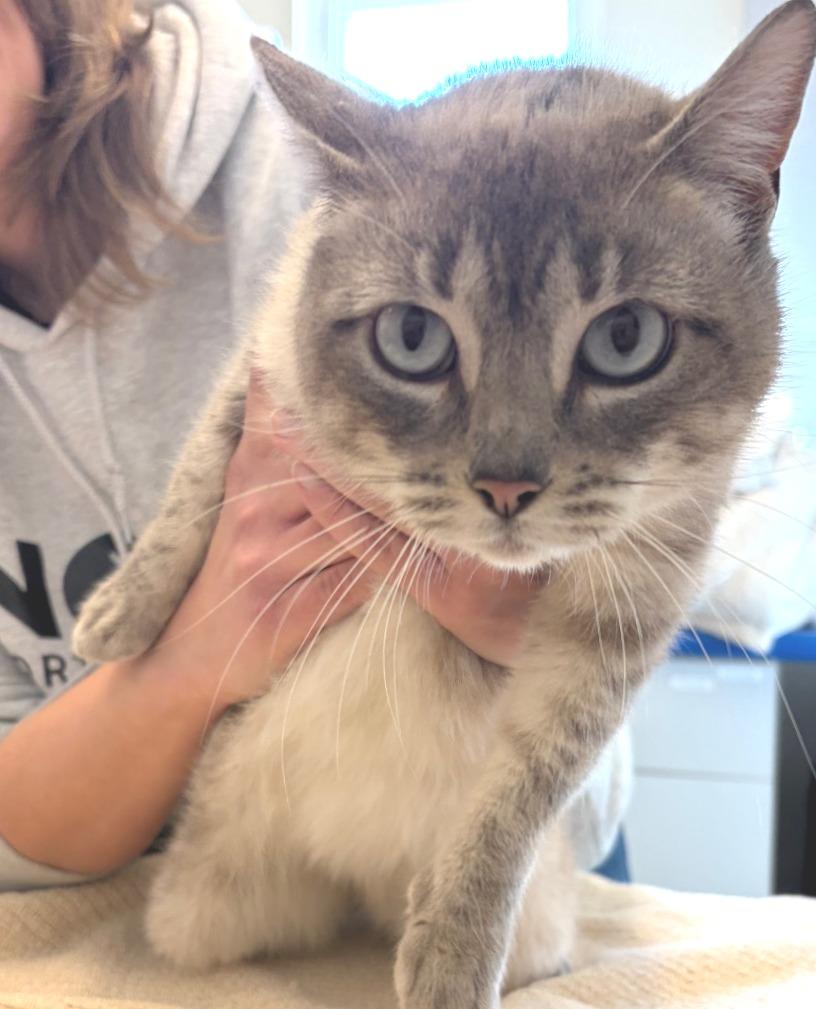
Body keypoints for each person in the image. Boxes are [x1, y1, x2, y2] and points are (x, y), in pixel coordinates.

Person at [0, 0, 629, 890]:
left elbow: (547, 648)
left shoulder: (338, 172)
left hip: (497, 856)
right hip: (179, 900)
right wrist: (199, 646)